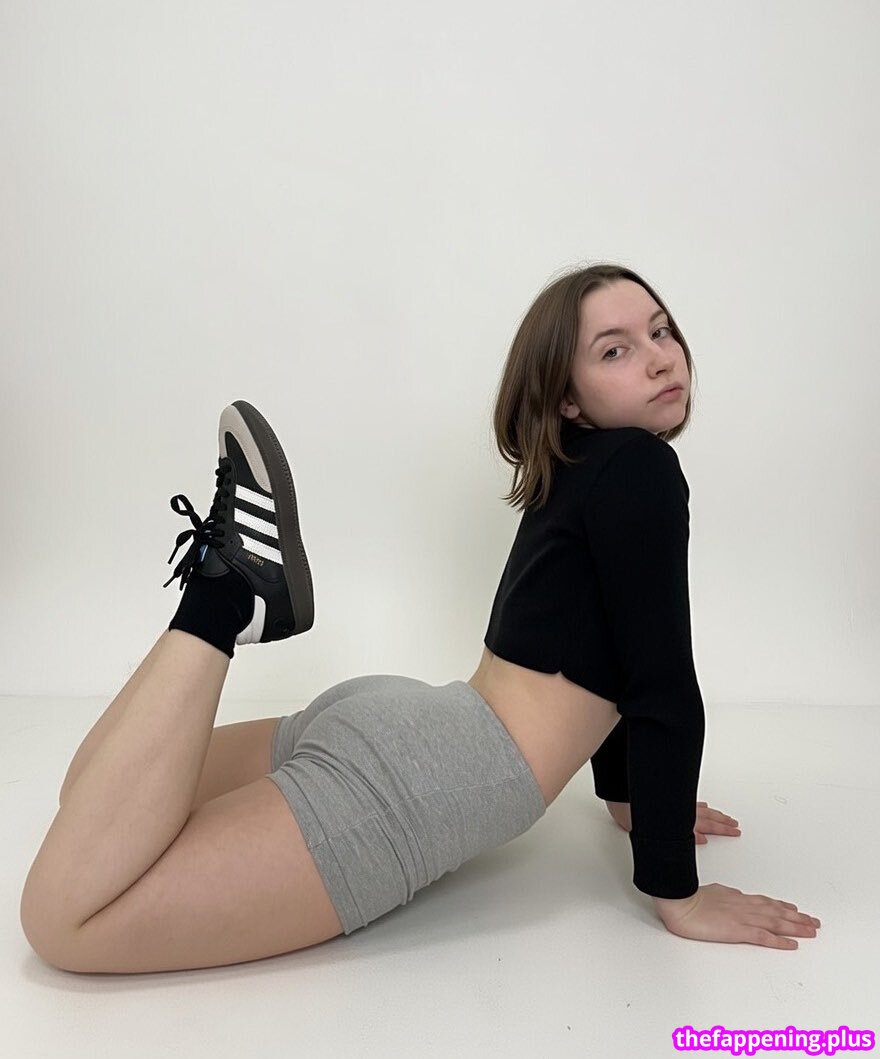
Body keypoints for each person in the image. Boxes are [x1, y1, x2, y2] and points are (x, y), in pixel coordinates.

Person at [19, 262, 821, 975]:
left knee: (94, 794)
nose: (659, 355)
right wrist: (678, 892)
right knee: (66, 919)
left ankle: (226, 585)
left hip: (412, 722)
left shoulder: (584, 466)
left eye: (660, 330)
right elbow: (660, 683)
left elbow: (609, 649)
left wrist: (631, 800)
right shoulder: (642, 469)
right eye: (615, 349)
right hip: (435, 776)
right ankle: (226, 594)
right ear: (567, 398)